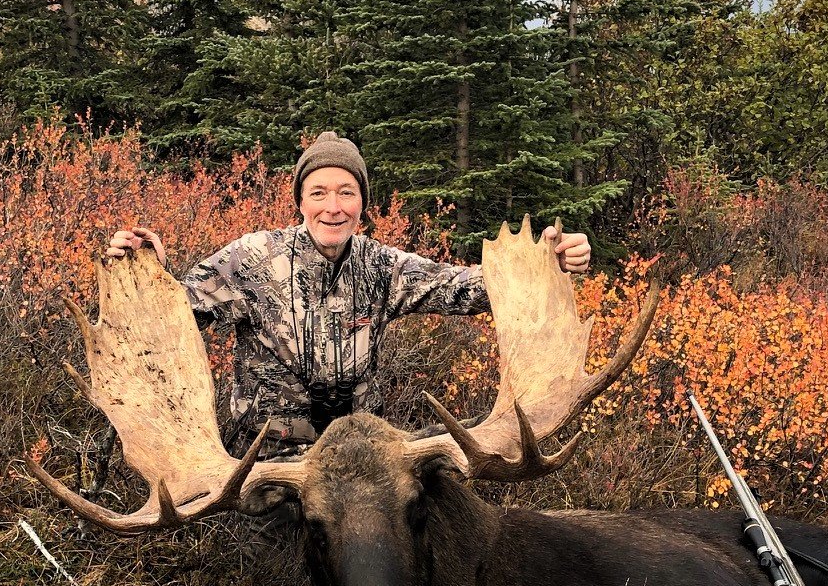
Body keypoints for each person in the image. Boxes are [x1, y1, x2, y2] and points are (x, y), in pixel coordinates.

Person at [108, 131, 592, 454]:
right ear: (300, 200)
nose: (333, 207)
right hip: (270, 463)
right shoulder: (252, 259)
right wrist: (143, 267)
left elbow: (464, 288)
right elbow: (175, 312)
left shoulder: (382, 266)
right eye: (318, 192)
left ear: (363, 201)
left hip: (359, 458)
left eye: (346, 192)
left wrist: (546, 264)